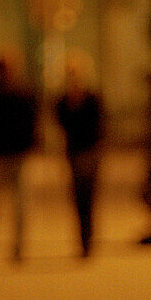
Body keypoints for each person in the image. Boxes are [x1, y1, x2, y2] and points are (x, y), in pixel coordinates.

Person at [0, 50, 38, 261]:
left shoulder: (3, 93)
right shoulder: (12, 92)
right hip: (4, 154)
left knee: (0, 204)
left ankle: (0, 248)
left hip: (6, 153)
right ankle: (9, 248)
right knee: (2, 204)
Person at [55, 51, 103, 258]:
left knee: (89, 196)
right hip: (74, 152)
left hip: (89, 151)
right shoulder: (63, 100)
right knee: (77, 196)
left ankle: (88, 239)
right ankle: (82, 240)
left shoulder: (93, 98)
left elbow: (100, 125)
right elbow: (61, 121)